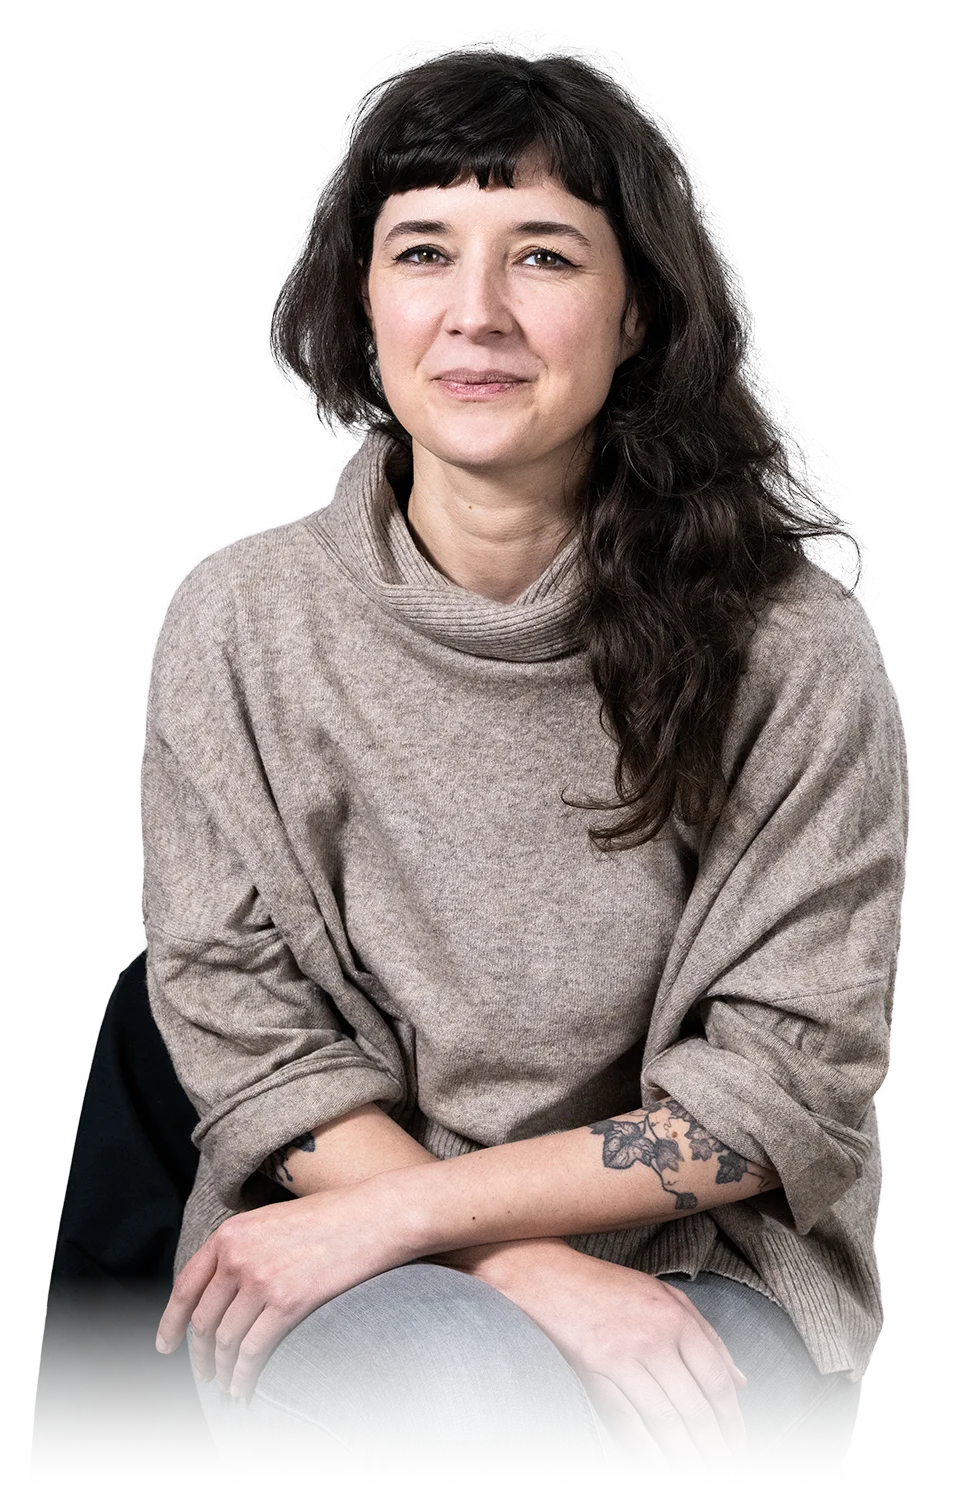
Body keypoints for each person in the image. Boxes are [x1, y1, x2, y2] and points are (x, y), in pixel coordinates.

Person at [140, 44, 909, 1497]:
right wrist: (510, 1259)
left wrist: (460, 1231)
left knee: (550, 1442)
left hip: (714, 1268)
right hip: (333, 1235)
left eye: (543, 255)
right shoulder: (241, 625)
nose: (476, 313)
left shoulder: (788, 650)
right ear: (361, 303)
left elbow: (777, 1088)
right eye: (423, 249)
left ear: (636, 315)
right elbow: (253, 1039)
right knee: (483, 1408)